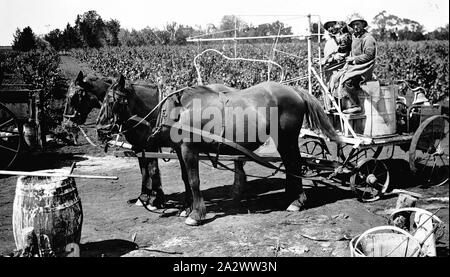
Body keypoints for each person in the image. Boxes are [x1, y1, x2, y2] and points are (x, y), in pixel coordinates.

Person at [330, 15, 377, 114]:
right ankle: (337, 106)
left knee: (348, 80)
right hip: (355, 67)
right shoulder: (354, 36)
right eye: (354, 25)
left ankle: (356, 106)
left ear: (363, 25)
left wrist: (354, 59)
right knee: (335, 78)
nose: (356, 27)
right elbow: (345, 45)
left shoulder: (368, 38)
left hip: (364, 68)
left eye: (358, 24)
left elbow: (369, 56)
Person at [320, 20, 352, 111]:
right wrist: (324, 60)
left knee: (336, 85)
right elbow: (328, 56)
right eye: (328, 27)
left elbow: (343, 54)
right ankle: (329, 107)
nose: (330, 28)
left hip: (340, 68)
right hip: (329, 70)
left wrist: (331, 59)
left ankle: (337, 107)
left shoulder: (344, 37)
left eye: (332, 26)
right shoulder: (329, 42)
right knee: (327, 88)